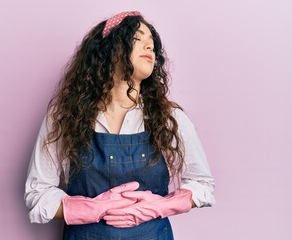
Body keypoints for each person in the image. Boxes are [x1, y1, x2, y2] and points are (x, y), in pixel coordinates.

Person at [24, 11, 215, 240]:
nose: (149, 49)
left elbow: (202, 184)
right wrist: (90, 208)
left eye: (152, 46)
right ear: (111, 50)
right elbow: (37, 192)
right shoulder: (64, 117)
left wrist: (160, 205)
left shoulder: (168, 117)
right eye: (138, 40)